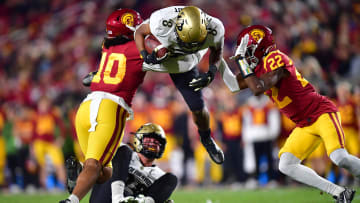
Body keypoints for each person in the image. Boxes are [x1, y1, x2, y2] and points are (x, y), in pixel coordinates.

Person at [231, 25, 360, 202]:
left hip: (320, 112)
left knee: (339, 157)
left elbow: (257, 88)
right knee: (286, 164)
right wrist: (214, 67)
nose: (247, 54)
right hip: (304, 124)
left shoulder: (275, 58)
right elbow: (232, 84)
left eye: (249, 49)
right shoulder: (259, 70)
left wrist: (240, 60)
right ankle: (339, 193)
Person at [134, 5, 242, 164]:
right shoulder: (161, 22)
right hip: (162, 50)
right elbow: (139, 32)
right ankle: (103, 74)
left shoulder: (215, 27)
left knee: (198, 106)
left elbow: (216, 51)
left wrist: (211, 73)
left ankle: (206, 139)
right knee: (125, 53)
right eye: (187, 41)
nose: (190, 45)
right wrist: (144, 53)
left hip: (185, 62)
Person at [59, 8, 145, 203]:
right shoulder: (137, 48)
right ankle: (71, 200)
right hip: (110, 107)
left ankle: (80, 172)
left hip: (86, 105)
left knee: (102, 171)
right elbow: (159, 56)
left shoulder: (107, 45)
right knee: (94, 165)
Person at [90, 123, 177, 203]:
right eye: (148, 140)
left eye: (156, 142)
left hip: (134, 198)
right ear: (138, 140)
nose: (152, 144)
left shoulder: (161, 176)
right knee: (124, 150)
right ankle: (118, 199)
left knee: (172, 179)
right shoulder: (123, 154)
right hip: (105, 199)